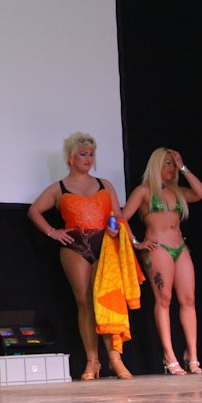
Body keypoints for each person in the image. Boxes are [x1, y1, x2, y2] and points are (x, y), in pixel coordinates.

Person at [28, 132, 141, 380]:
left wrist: (123, 234)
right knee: (84, 302)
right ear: (71, 157)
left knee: (107, 299)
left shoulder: (104, 184)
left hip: (105, 243)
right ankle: (92, 361)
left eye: (91, 154)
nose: (88, 158)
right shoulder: (59, 188)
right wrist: (53, 232)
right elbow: (34, 210)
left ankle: (115, 359)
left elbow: (117, 215)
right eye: (83, 154)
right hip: (75, 245)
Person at [122, 148, 202, 375]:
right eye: (167, 163)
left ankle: (192, 355)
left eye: (173, 164)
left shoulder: (177, 191)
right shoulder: (143, 191)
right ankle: (169, 355)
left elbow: (201, 193)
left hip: (180, 247)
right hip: (158, 248)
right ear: (156, 164)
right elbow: (121, 218)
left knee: (188, 299)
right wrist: (136, 242)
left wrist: (183, 167)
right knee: (164, 299)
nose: (171, 168)